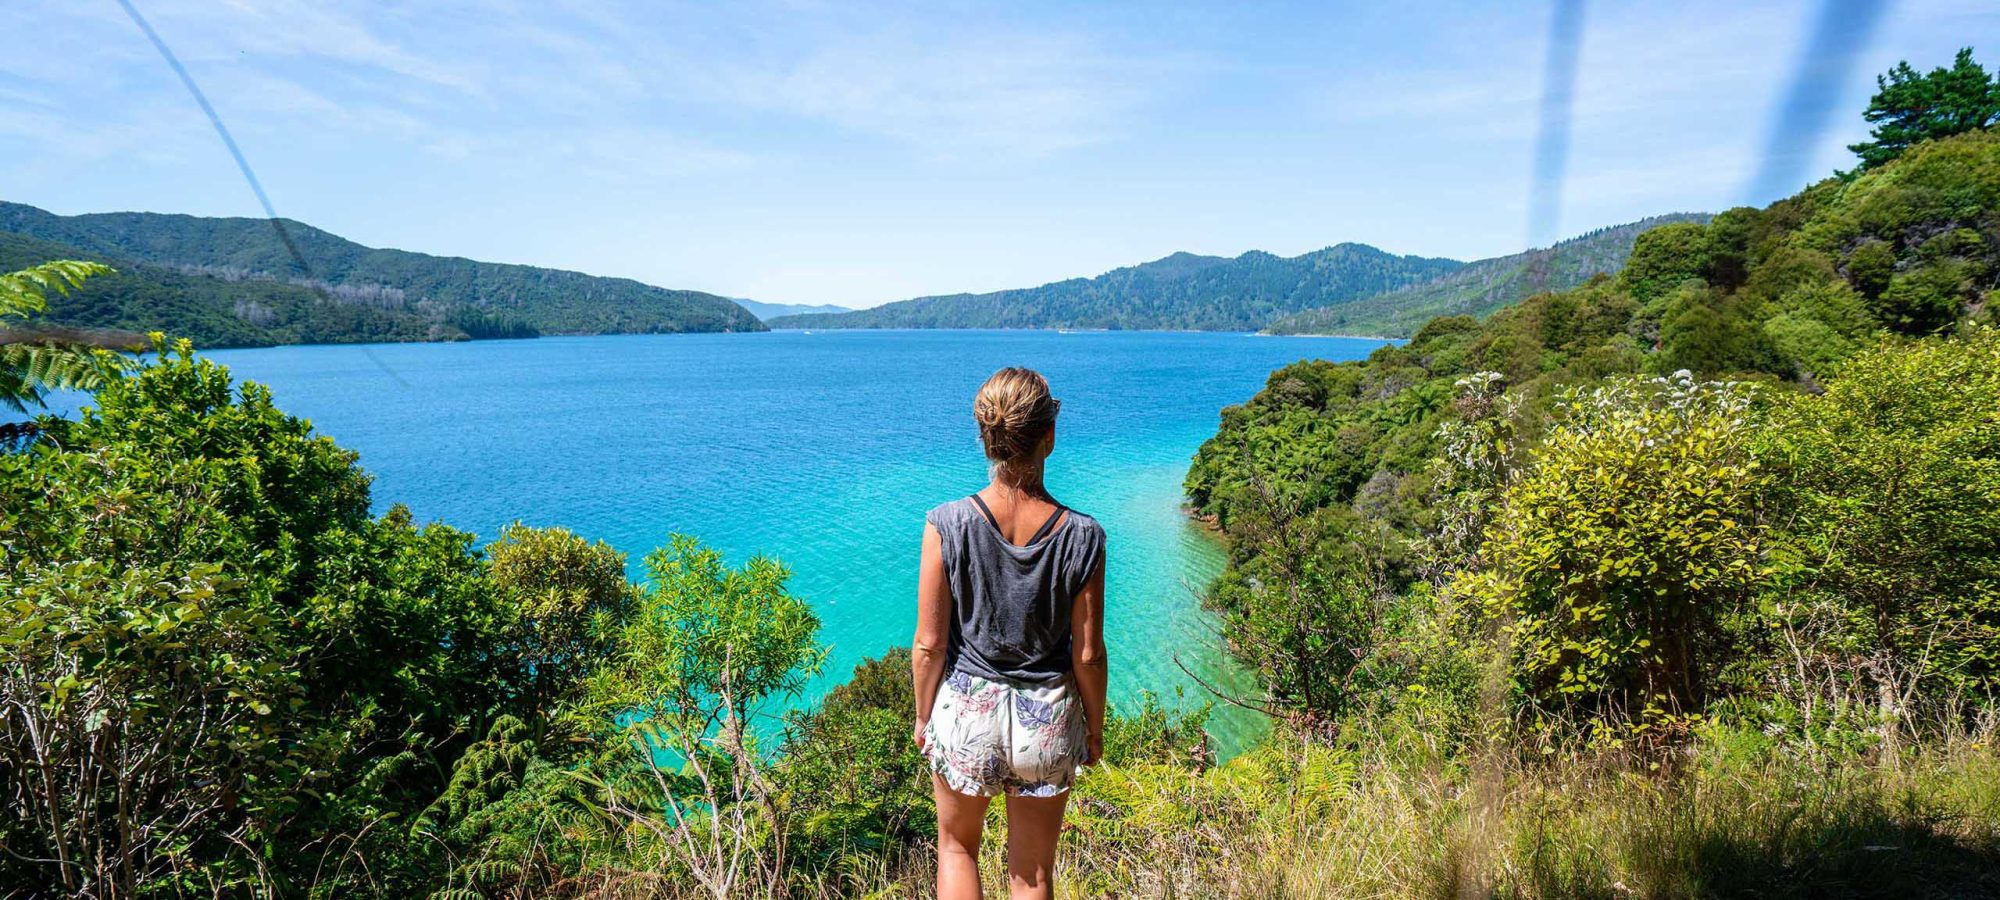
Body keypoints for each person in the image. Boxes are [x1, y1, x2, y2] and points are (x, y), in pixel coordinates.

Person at [911, 366, 1108, 900]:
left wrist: (924, 716)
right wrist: (1093, 731)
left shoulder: (945, 524)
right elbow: (1088, 655)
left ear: (986, 438)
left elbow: (929, 644)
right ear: (1049, 436)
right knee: (1033, 875)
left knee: (956, 851)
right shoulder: (1084, 536)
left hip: (968, 712)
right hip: (1046, 719)